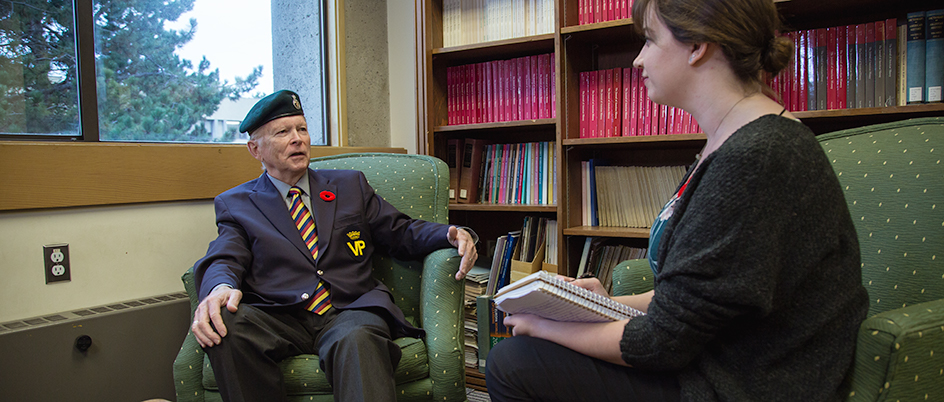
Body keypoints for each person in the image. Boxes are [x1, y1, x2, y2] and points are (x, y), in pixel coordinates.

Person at [485, 0, 869, 401]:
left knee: (515, 362)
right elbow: (703, 296)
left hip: (747, 382)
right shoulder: (733, 141)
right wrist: (609, 303)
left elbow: (661, 343)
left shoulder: (756, 157)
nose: (638, 59)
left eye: (650, 40)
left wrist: (548, 326)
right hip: (713, 358)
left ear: (698, 45)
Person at [190, 89, 479, 402]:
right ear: (255, 149)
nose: (297, 138)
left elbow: (399, 230)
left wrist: (449, 233)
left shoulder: (348, 185)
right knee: (227, 326)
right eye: (283, 132)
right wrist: (219, 287)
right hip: (279, 315)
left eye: (302, 129)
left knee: (358, 339)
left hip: (349, 308)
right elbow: (226, 255)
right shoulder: (237, 204)